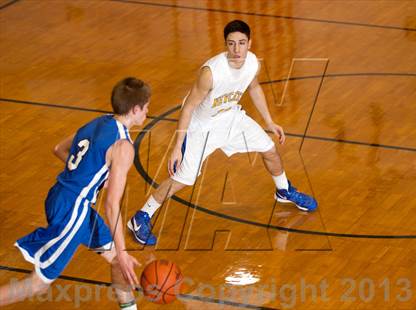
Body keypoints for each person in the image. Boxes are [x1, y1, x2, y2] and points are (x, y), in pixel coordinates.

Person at [128, 20, 317, 246]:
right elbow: (188, 107)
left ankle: (283, 190)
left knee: (270, 149)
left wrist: (269, 121)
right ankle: (141, 217)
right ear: (225, 44)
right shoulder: (211, 73)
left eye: (242, 43)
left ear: (249, 43)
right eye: (231, 44)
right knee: (184, 178)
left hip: (230, 117)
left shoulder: (252, 63)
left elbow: (254, 87)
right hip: (201, 126)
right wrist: (178, 146)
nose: (237, 50)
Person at [0, 77, 150, 310]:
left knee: (119, 265)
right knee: (37, 285)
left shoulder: (99, 122)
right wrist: (123, 251)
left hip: (59, 195)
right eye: (146, 107)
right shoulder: (124, 146)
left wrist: (88, 174)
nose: (148, 112)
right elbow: (111, 205)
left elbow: (59, 149)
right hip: (74, 210)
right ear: (135, 109)